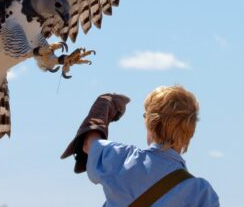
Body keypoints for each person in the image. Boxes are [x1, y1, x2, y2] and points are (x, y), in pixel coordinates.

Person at [61, 86, 220, 207]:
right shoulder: (202, 194)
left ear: (151, 123)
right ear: (190, 132)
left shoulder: (122, 159)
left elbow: (89, 143)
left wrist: (103, 107)